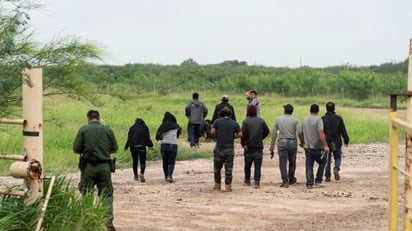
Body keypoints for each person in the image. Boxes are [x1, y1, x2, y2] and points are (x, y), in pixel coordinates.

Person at [73, 110, 119, 231]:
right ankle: (108, 222)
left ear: (88, 119)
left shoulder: (83, 130)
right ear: (99, 118)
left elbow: (76, 149)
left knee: (86, 193)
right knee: (107, 195)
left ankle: (88, 220)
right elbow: (115, 149)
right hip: (105, 167)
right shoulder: (107, 130)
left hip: (88, 168)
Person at [298, 104, 330, 189]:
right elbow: (320, 133)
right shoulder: (319, 119)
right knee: (323, 162)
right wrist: (325, 145)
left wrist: (302, 142)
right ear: (318, 110)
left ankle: (309, 183)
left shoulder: (305, 119)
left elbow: (301, 133)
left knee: (309, 164)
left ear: (310, 110)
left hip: (307, 146)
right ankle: (318, 180)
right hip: (317, 146)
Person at [211, 107, 242, 192]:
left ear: (221, 114)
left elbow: (212, 132)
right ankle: (228, 187)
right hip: (229, 148)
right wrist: (233, 136)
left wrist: (218, 135)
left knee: (217, 168)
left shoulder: (217, 121)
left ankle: (217, 186)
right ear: (230, 114)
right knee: (228, 168)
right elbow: (240, 134)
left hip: (219, 148)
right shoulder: (234, 123)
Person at [269, 104, 300, 188]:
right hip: (293, 141)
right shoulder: (295, 120)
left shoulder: (278, 119)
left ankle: (285, 181)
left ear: (284, 110)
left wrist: (272, 144)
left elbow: (274, 133)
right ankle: (291, 178)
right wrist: (302, 142)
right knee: (292, 161)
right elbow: (300, 132)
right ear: (292, 111)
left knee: (283, 162)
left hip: (282, 141)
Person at [241, 104, 269, 188]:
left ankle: (247, 180)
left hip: (249, 147)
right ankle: (257, 182)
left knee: (247, 165)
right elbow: (267, 131)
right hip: (258, 146)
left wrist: (243, 143)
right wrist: (261, 137)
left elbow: (244, 134)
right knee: (257, 166)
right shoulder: (261, 121)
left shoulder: (245, 121)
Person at [322, 101, 350, 181]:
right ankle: (336, 168)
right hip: (337, 141)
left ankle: (327, 176)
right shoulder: (339, 118)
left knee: (327, 159)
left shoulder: (323, 119)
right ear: (334, 108)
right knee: (337, 157)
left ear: (326, 109)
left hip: (327, 142)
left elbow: (321, 132)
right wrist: (346, 140)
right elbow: (343, 130)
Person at [124, 118, 154, 182]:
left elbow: (129, 138)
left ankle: (135, 176)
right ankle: (142, 174)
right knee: (142, 161)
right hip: (141, 147)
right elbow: (147, 138)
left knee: (135, 161)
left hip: (133, 147)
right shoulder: (144, 128)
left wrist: (126, 146)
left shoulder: (132, 128)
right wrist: (150, 145)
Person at [155, 112, 182, 183]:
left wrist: (162, 137)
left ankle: (166, 176)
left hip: (164, 145)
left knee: (165, 162)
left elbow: (157, 137)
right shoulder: (177, 126)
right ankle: (169, 176)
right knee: (171, 162)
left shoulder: (162, 126)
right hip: (173, 145)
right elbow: (177, 135)